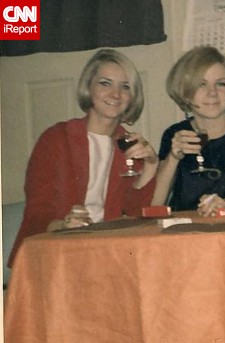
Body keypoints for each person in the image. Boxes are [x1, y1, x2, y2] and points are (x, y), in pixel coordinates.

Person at [8, 49, 158, 267]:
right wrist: (63, 224)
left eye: (125, 87)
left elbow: (135, 216)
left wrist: (152, 165)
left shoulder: (130, 145)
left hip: (106, 252)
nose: (115, 94)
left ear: (132, 96)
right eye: (105, 83)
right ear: (88, 87)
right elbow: (37, 212)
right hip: (56, 249)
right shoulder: (56, 138)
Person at [152, 46, 225, 215]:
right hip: (188, 232)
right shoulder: (176, 134)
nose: (212, 93)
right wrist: (173, 157)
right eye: (201, 85)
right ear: (186, 92)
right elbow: (154, 204)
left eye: (221, 84)